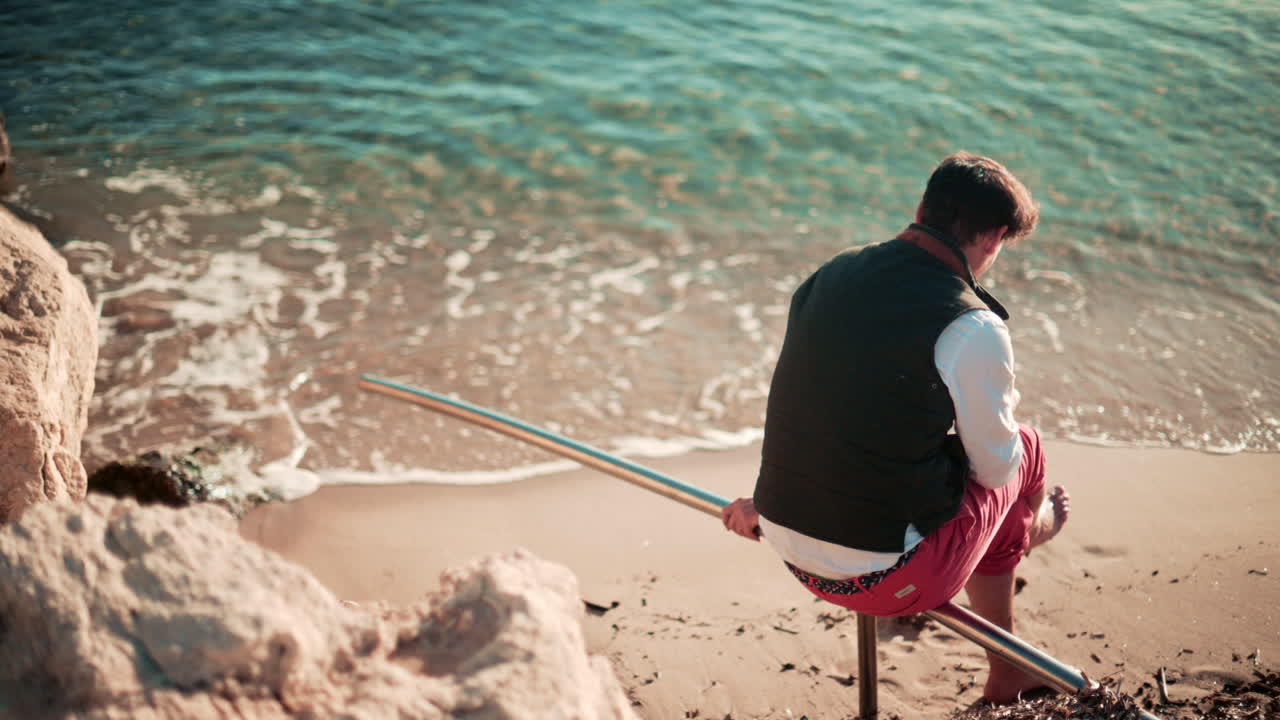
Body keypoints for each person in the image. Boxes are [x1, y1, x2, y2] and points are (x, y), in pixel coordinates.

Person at [721, 151, 1070, 704]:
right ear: (995, 237)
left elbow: (817, 409)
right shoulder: (970, 322)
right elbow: (997, 465)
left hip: (789, 548)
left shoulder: (828, 274)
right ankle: (1025, 550)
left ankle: (1010, 547)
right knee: (1023, 449)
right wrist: (1025, 507)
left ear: (920, 209)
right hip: (886, 581)